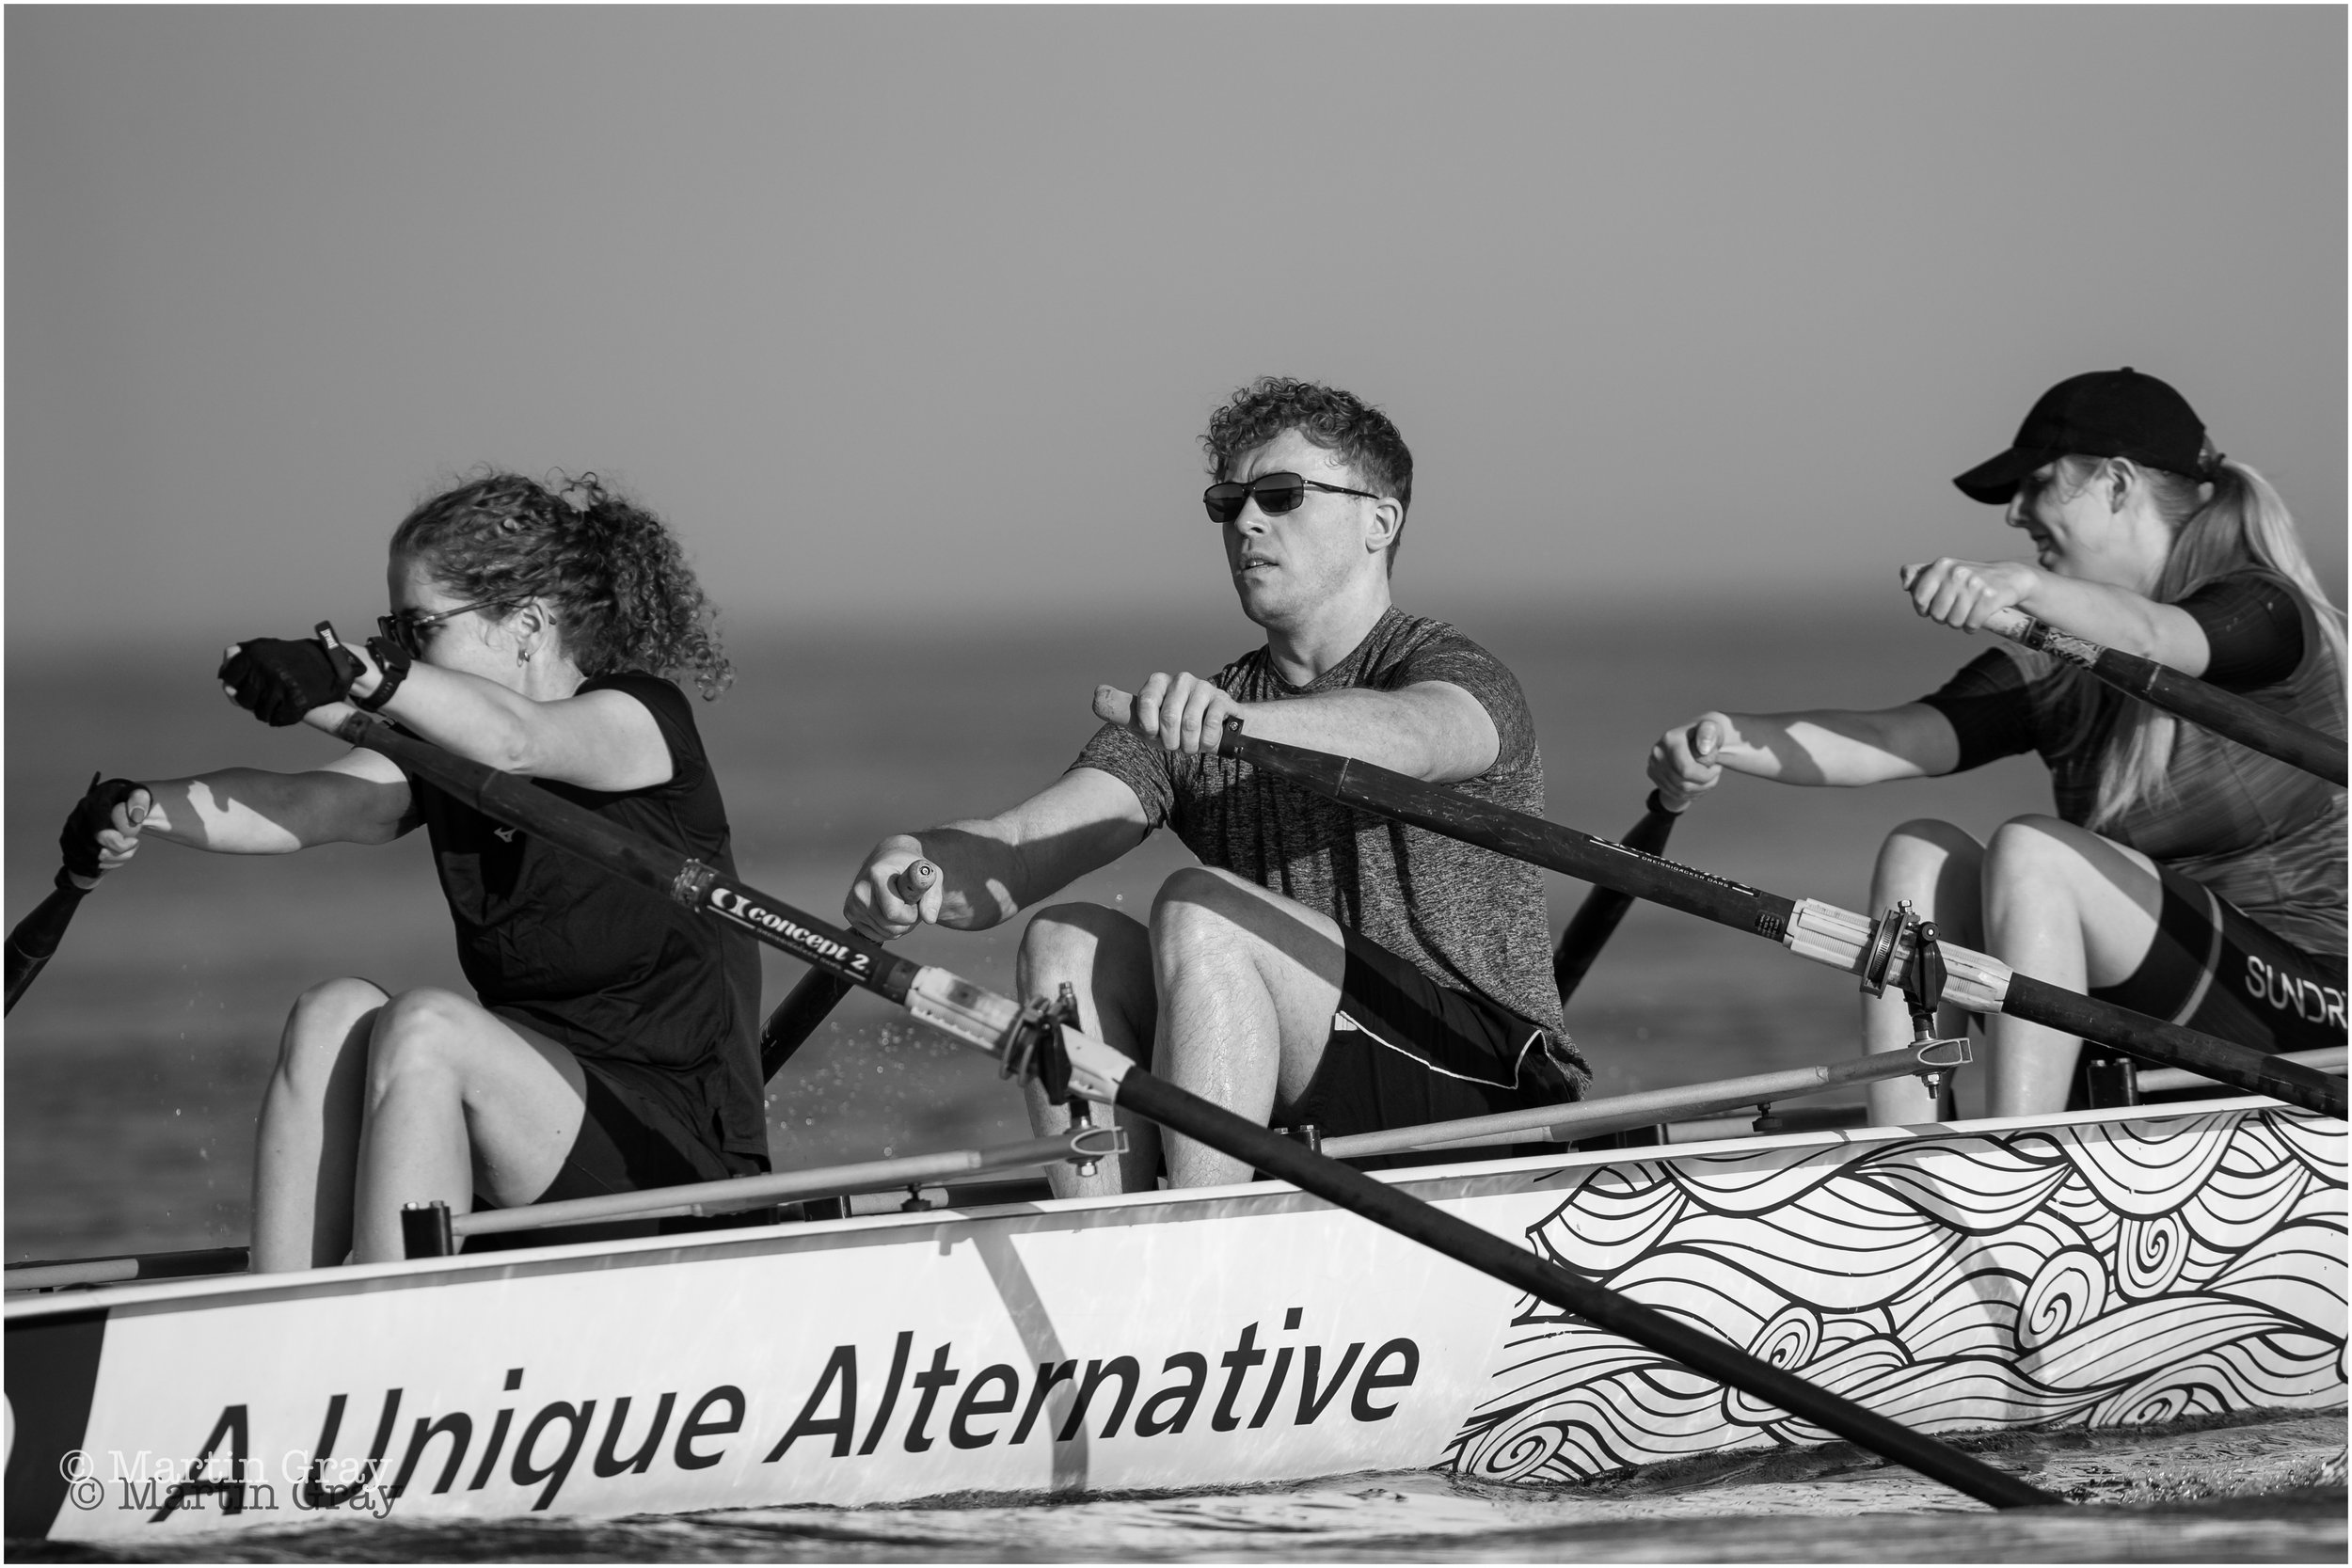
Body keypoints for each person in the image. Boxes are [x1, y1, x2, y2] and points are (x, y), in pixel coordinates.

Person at [844, 377, 1583, 1195]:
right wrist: (920, 862)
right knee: (1062, 940)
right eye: (1228, 503)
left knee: (1202, 907)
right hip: (1308, 1081)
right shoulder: (1203, 718)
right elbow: (1018, 851)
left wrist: (1243, 726)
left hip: (1489, 1086)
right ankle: (1111, 1236)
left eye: (1282, 495)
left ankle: (1203, 1232)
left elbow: (1420, 734)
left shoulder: (1451, 671)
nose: (1246, 522)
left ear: (1380, 521)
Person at [59, 473, 761, 1270]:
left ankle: (387, 1321)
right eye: (392, 628)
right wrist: (141, 805)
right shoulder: (444, 760)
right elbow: (305, 804)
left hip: (672, 1159)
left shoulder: (642, 719)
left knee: (426, 1027)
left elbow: (519, 741)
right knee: (332, 1012)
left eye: (418, 628)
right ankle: (280, 1308)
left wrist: (354, 672)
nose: (401, 648)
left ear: (528, 625)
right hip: (527, 1130)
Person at [1646, 369, 2346, 1121]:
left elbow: (2153, 638)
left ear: (2117, 484)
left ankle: (2019, 1151)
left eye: (2037, 484)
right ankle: (1909, 1150)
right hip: (2157, 1018)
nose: (2015, 514)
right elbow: (1891, 737)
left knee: (2034, 852)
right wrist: (1727, 739)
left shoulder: (2264, 608)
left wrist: (2022, 587)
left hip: (2311, 1018)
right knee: (1920, 853)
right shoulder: (2058, 663)